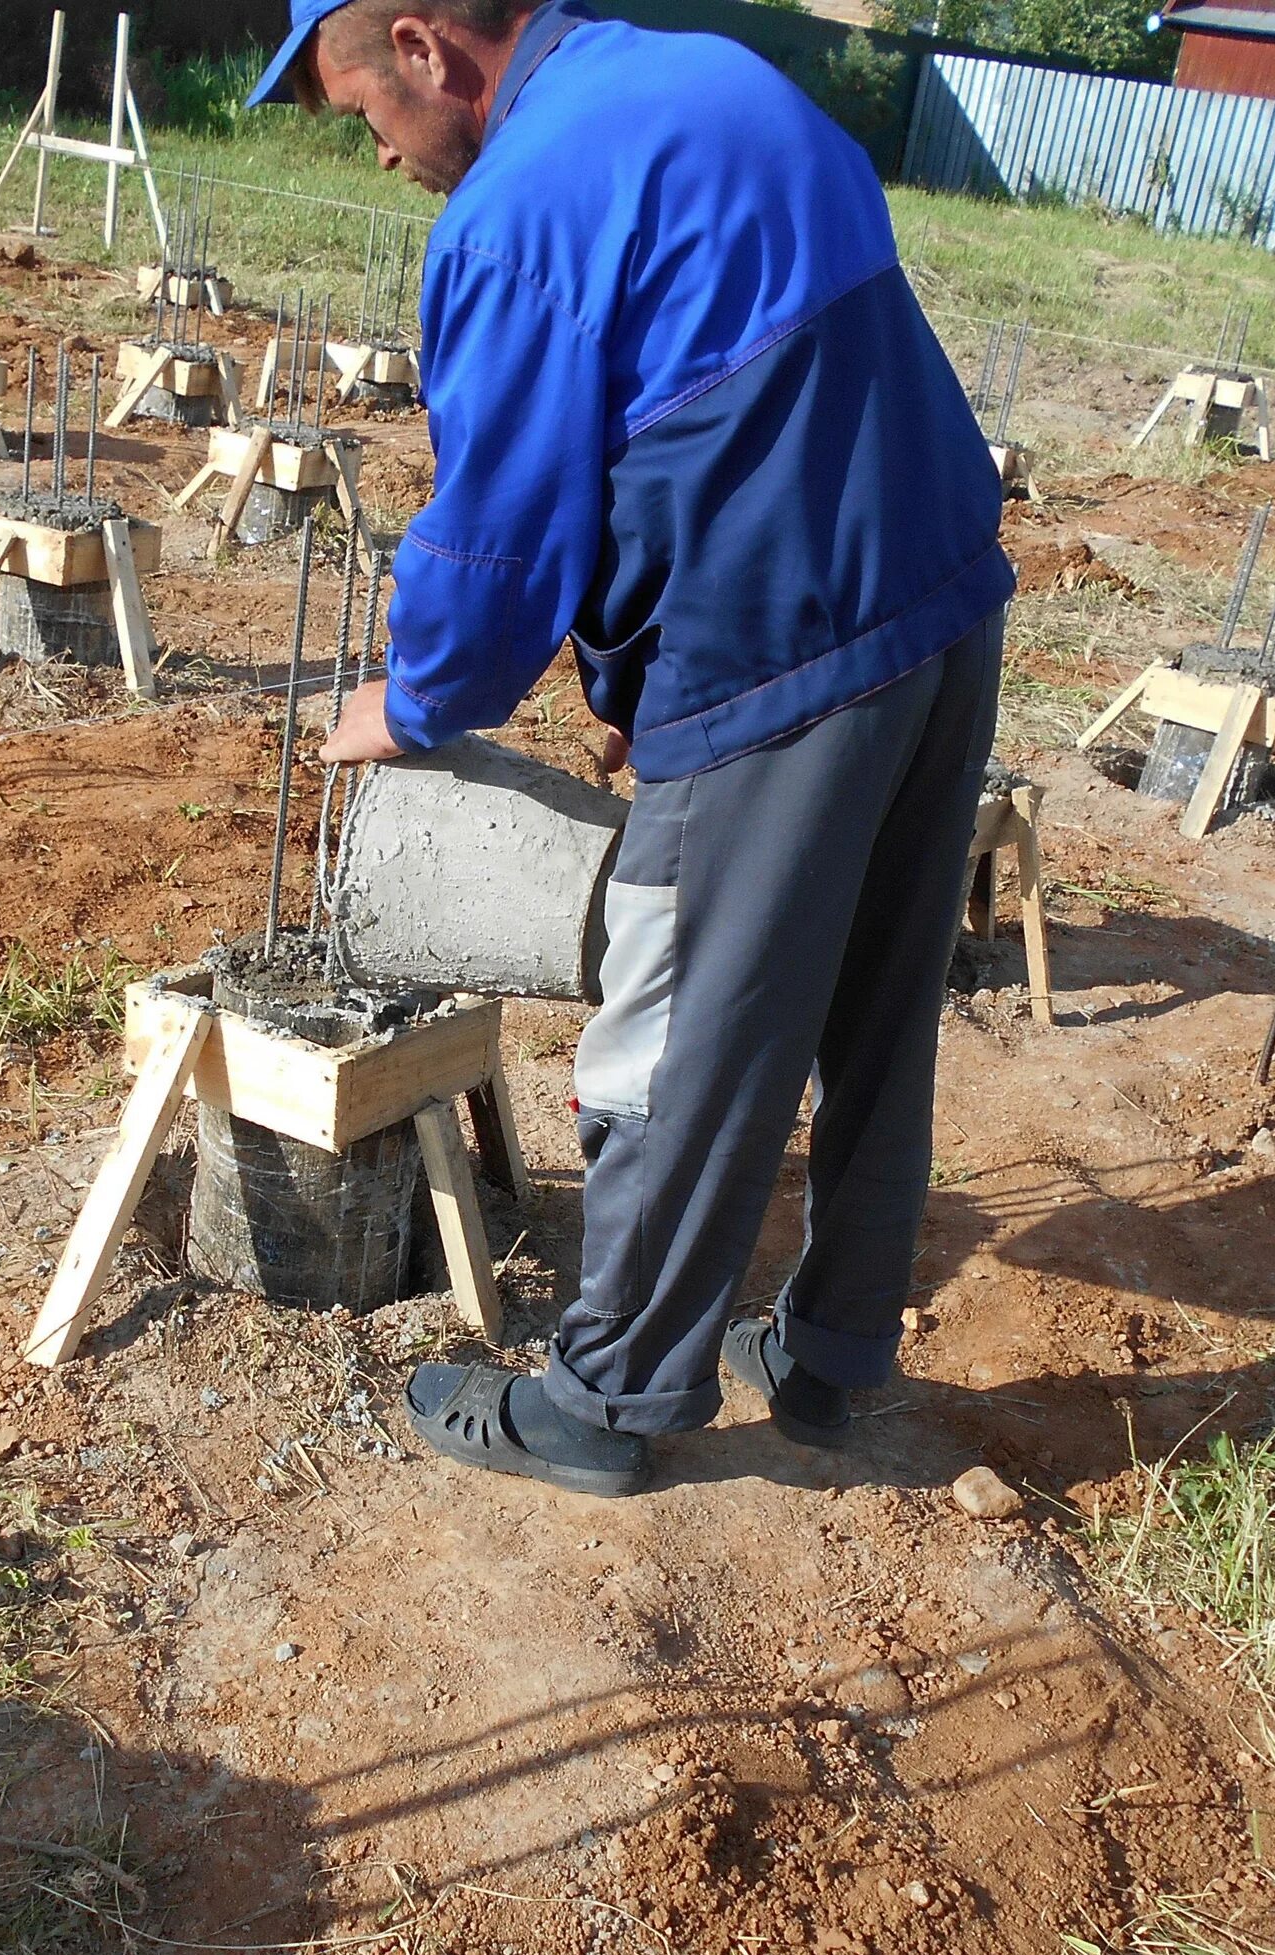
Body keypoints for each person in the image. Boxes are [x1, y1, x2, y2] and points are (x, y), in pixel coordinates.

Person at [263, 0, 1013, 1496]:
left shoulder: (516, 210)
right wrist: (633, 656)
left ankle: (608, 1404)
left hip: (782, 646)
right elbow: (715, 403)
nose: (383, 150)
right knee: (877, 1006)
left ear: (423, 48)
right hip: (939, 599)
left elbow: (501, 537)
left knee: (677, 1030)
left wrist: (408, 700)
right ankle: (831, 1347)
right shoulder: (709, 80)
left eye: (365, 112)